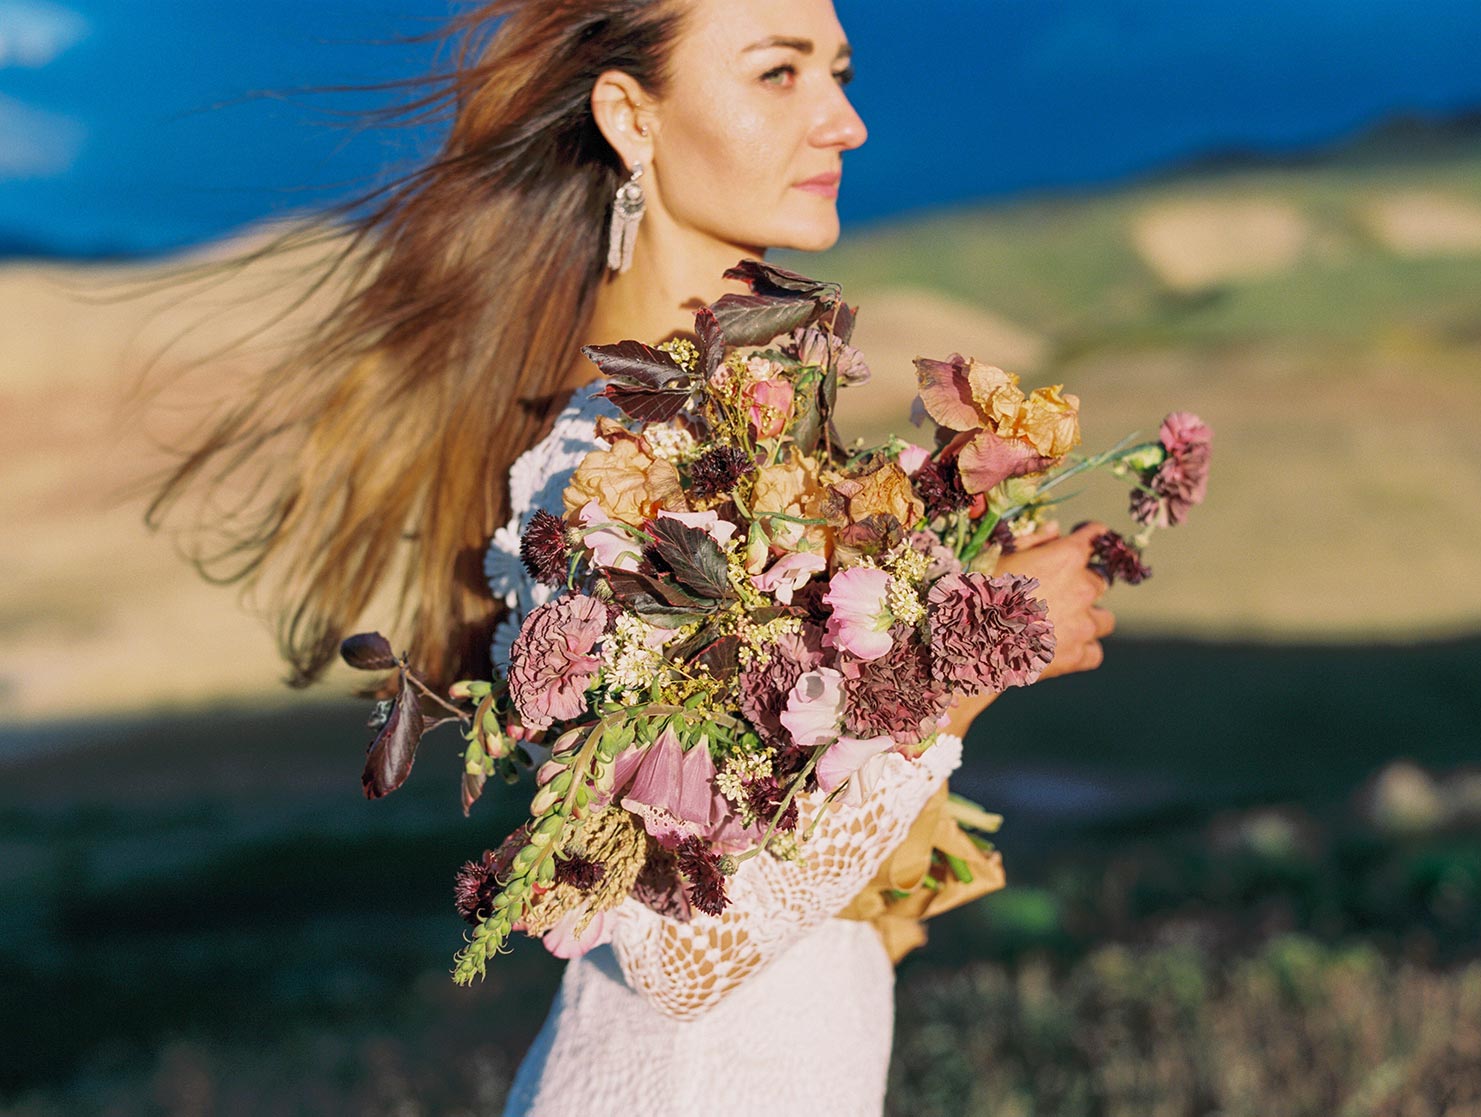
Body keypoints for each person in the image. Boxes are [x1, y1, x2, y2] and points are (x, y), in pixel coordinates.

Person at [152, 1, 1113, 1113]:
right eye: (779, 74)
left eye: (840, 72)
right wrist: (960, 664)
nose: (844, 121)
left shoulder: (741, 432)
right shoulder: (601, 467)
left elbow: (789, 881)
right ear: (630, 115)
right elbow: (671, 956)